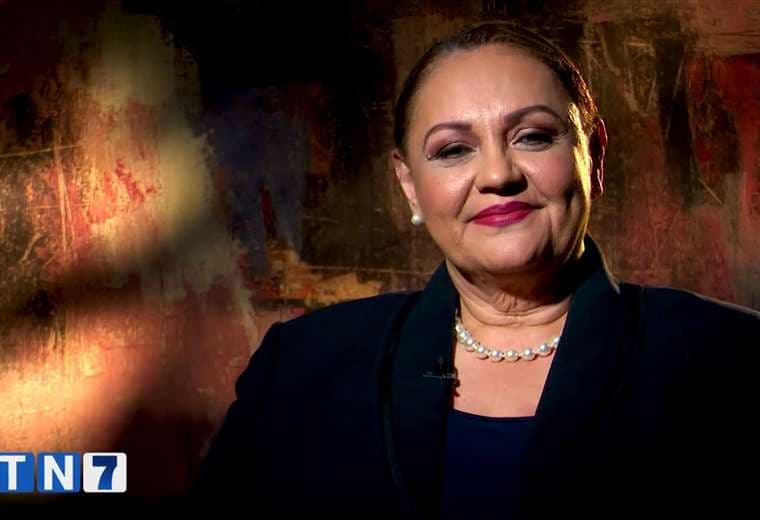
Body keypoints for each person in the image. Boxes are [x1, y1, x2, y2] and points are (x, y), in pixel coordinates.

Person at [194, 22, 759, 518]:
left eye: (533, 136)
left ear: (594, 155)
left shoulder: (733, 357)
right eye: (452, 150)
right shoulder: (301, 365)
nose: (497, 175)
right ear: (409, 185)